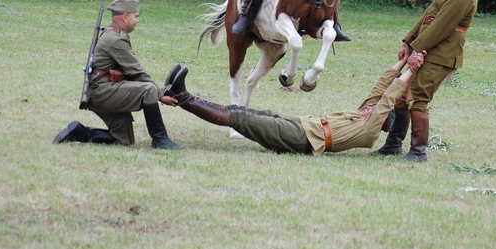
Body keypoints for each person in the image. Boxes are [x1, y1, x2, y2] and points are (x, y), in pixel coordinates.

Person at [378, 0, 492, 162]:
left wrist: (418, 50)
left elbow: (440, 27)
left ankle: (418, 152)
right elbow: (428, 17)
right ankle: (393, 145)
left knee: (417, 97)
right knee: (401, 96)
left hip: (440, 56)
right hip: (429, 49)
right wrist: (408, 41)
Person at [165, 58, 413, 155]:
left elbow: (388, 98)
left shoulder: (369, 131)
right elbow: (380, 88)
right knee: (242, 112)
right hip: (303, 124)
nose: (369, 108)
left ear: (381, 121)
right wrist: (403, 61)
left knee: (241, 120)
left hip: (304, 139)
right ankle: (180, 93)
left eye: (374, 111)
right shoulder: (363, 116)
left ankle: (182, 97)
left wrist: (412, 70)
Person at [53, 0, 182, 150]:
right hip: (103, 93)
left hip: (102, 91)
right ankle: (160, 139)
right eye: (136, 16)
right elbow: (136, 71)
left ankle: (81, 133)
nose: (138, 20)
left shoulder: (112, 34)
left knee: (123, 139)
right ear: (125, 16)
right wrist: (160, 95)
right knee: (148, 90)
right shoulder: (115, 39)